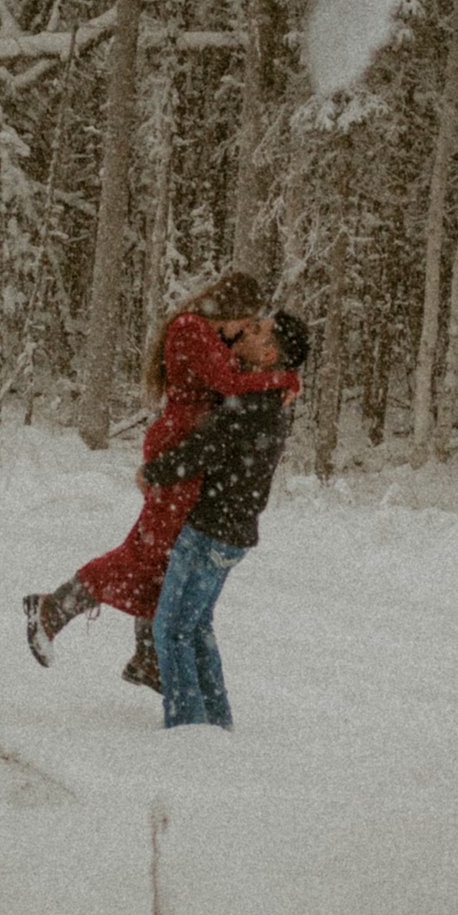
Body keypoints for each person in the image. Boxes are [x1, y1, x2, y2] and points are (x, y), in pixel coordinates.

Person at [22, 272, 296, 687]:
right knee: (147, 552)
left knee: (165, 554)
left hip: (190, 447)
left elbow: (232, 383)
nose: (246, 331)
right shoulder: (191, 328)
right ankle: (54, 608)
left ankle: (148, 657)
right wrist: (284, 378)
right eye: (248, 321)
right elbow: (228, 384)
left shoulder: (209, 335)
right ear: (234, 309)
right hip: (179, 446)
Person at [146, 308, 310, 730]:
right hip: (233, 533)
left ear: (268, 354)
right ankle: (217, 727)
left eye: (257, 331)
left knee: (170, 630)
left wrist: (155, 471)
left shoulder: (252, 402)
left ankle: (188, 731)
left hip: (209, 530)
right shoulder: (271, 396)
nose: (246, 331)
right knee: (196, 626)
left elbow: (203, 449)